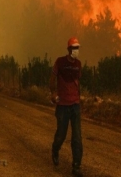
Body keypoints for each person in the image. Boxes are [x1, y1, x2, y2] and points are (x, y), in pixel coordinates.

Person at [50, 37, 83, 177]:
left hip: (75, 105)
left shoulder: (78, 64)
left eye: (78, 48)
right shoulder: (60, 62)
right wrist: (53, 93)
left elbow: (77, 82)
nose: (76, 51)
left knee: (77, 137)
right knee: (61, 135)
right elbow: (52, 78)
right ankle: (55, 149)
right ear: (69, 49)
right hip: (63, 106)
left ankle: (76, 166)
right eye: (74, 48)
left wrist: (79, 97)